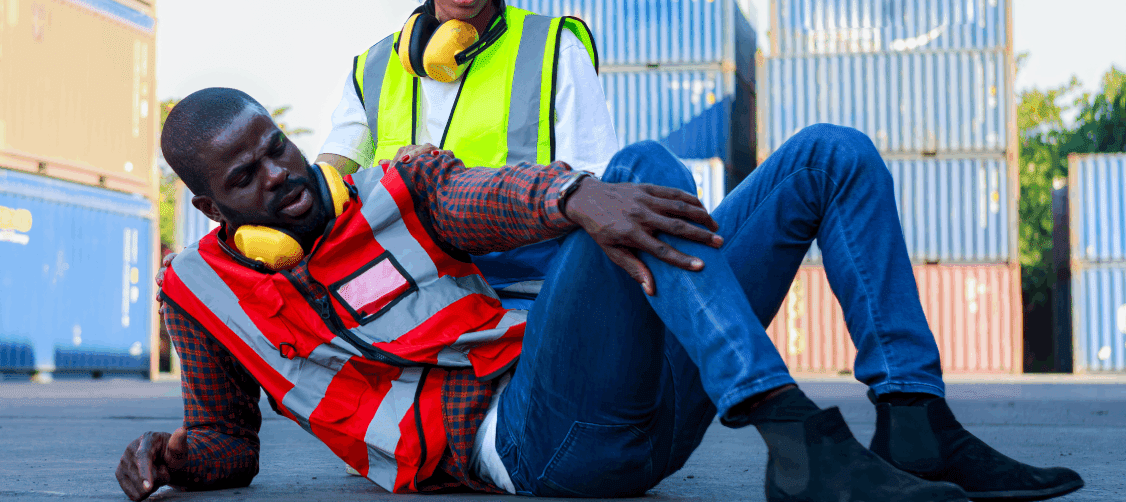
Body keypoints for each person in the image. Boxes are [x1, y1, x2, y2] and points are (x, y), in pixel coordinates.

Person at [118, 88, 1084, 502]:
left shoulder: (394, 185)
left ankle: (912, 421)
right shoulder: (200, 294)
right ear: (211, 205)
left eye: (276, 148)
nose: (279, 177)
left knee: (827, 155)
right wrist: (171, 458)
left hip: (637, 400)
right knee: (638, 172)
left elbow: (478, 197)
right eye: (244, 176)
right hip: (535, 450)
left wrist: (576, 196)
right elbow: (226, 445)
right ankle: (794, 441)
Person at [315, 0, 618, 306]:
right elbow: (330, 182)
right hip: (406, 303)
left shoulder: (554, 49)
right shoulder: (374, 69)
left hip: (525, 298)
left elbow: (597, 189)